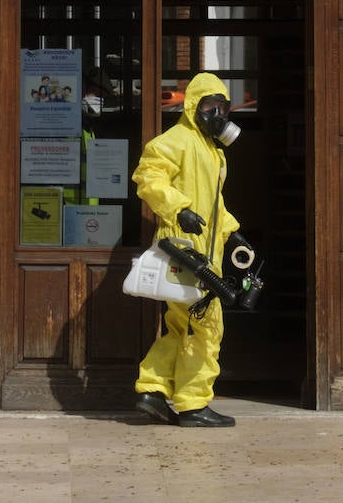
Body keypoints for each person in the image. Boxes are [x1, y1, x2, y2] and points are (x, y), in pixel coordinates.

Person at [132, 71, 245, 427]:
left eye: (222, 108)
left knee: (182, 327)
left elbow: (214, 206)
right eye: (210, 107)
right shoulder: (174, 141)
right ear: (194, 106)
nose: (217, 115)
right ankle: (194, 405)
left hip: (204, 252)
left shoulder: (213, 152)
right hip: (183, 250)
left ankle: (151, 389)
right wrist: (178, 208)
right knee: (206, 326)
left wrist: (233, 232)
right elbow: (148, 179)